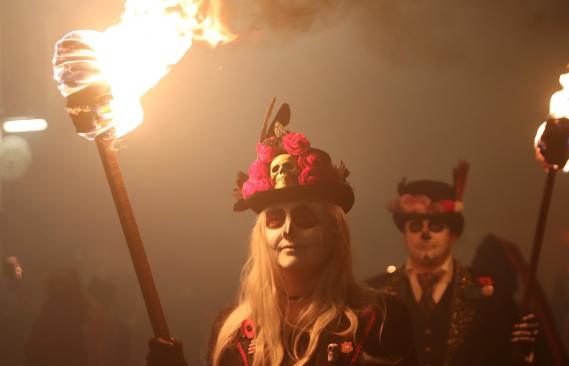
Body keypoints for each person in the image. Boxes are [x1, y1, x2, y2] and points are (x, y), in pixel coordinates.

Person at [147, 103, 417, 366]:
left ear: (332, 231)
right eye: (275, 219)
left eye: (304, 218)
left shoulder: (379, 320)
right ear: (261, 235)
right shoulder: (233, 331)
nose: (288, 230)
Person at [366, 164, 537, 366]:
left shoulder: (490, 293)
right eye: (415, 226)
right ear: (405, 235)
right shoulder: (375, 295)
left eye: (436, 225)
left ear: (453, 235)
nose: (425, 233)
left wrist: (526, 355)